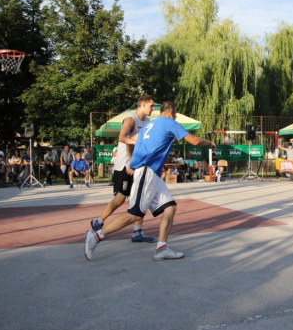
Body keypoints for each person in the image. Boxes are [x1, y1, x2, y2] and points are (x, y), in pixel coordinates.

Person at [84, 102, 216, 261]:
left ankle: (161, 248)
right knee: (134, 215)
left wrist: (133, 160)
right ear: (171, 112)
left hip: (152, 173)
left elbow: (129, 140)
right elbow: (193, 141)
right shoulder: (170, 123)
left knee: (170, 207)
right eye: (174, 114)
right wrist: (209, 143)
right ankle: (96, 236)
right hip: (146, 172)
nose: (175, 117)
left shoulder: (149, 125)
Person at [90, 94, 156, 243]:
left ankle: (137, 232)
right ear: (142, 105)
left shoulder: (148, 121)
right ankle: (98, 222)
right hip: (124, 166)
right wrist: (131, 161)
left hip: (137, 166)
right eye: (151, 106)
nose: (153, 108)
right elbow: (122, 138)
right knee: (120, 199)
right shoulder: (130, 119)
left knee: (140, 198)